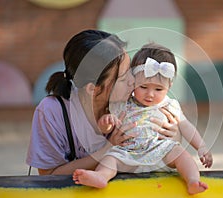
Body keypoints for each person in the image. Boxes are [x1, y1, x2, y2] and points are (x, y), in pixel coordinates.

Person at [26, 30, 179, 175]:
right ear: (93, 88)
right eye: (124, 78)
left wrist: (172, 137)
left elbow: (156, 151)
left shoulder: (135, 102)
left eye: (132, 73)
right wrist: (107, 150)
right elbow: (49, 175)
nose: (134, 82)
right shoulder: (53, 112)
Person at [73, 43, 213, 195]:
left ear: (170, 85)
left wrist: (201, 147)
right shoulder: (124, 103)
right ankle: (101, 177)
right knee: (110, 158)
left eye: (158, 89)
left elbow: (186, 126)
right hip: (128, 152)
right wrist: (106, 122)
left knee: (181, 154)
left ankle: (192, 180)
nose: (150, 94)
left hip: (160, 150)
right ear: (134, 81)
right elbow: (106, 127)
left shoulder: (170, 105)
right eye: (143, 87)